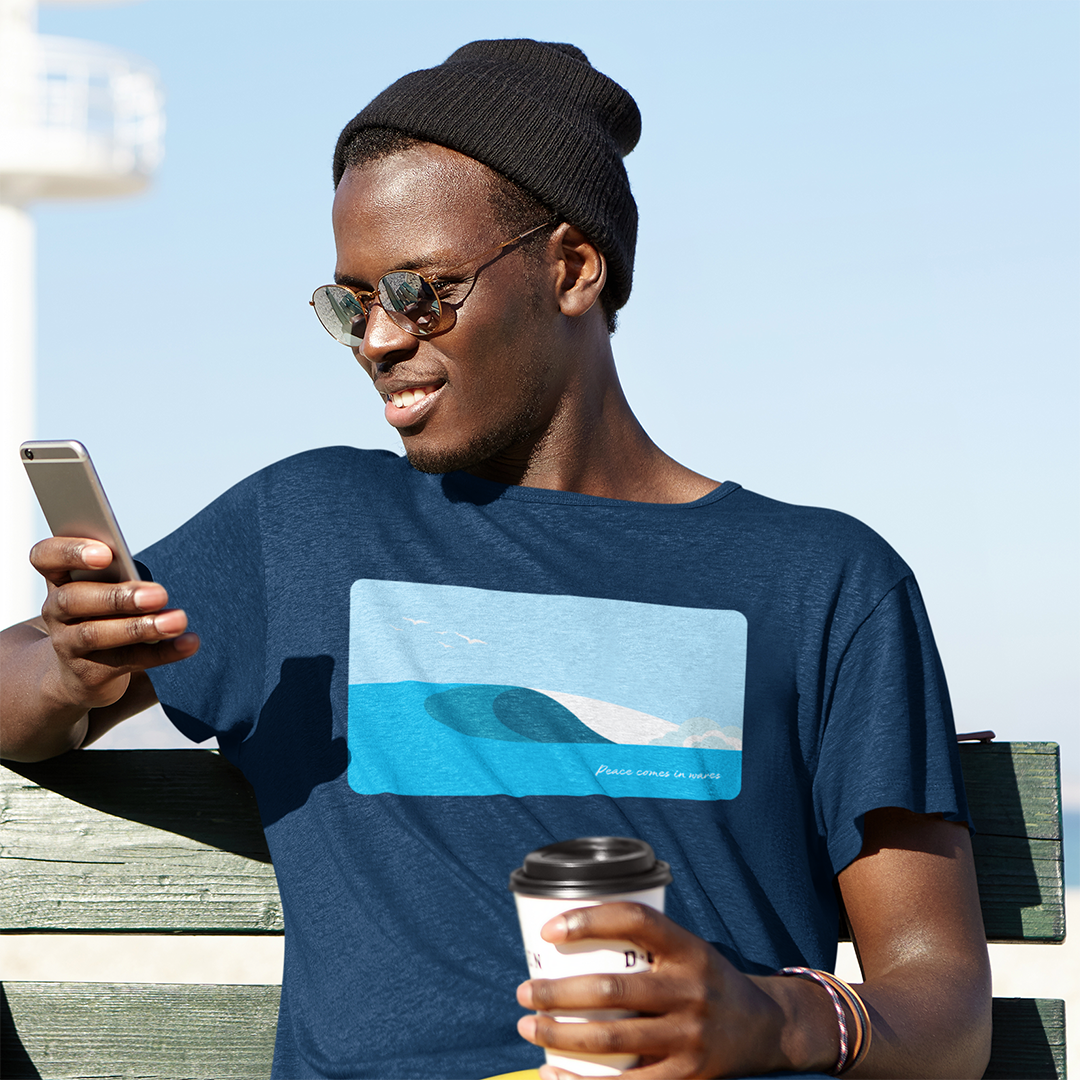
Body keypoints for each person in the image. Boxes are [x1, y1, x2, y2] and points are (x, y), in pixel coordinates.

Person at [0, 38, 991, 1080]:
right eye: (350, 304)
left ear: (570, 268)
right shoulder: (307, 527)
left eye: (421, 291)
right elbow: (14, 687)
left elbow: (945, 1013)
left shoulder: (824, 581)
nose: (379, 339)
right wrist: (72, 670)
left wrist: (773, 1021)